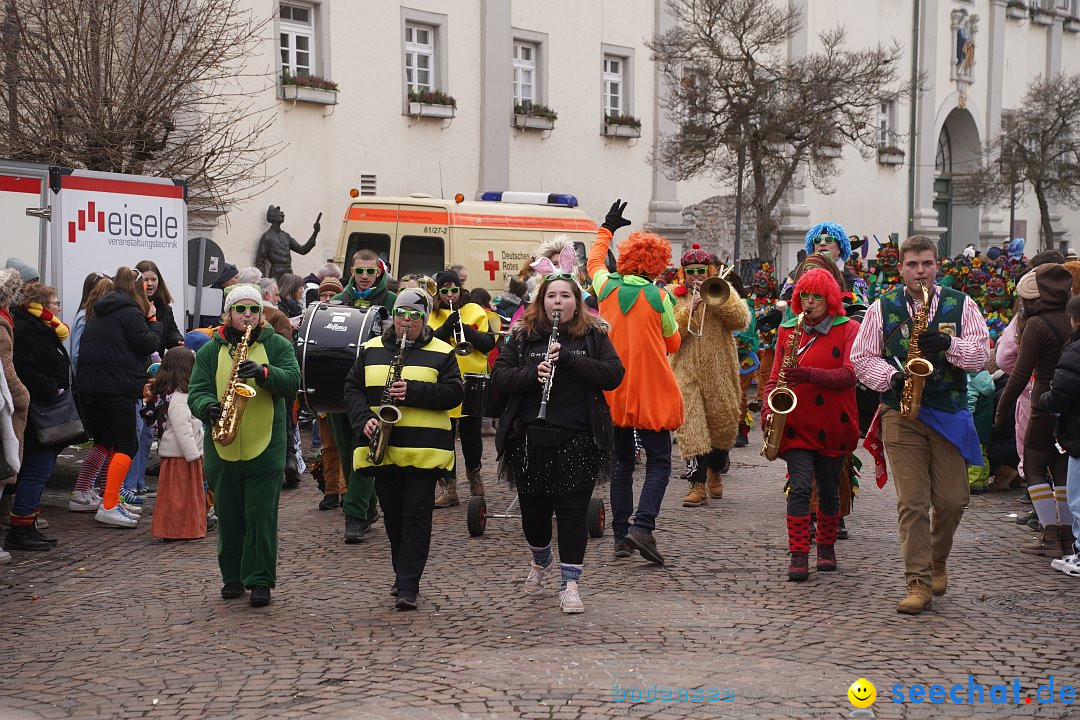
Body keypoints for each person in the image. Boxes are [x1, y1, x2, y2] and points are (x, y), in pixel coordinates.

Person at [852, 235, 989, 614]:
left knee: (953, 500)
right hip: (901, 413)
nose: (920, 271)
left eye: (926, 264)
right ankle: (918, 582)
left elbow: (981, 355)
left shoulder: (962, 305)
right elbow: (861, 357)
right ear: (901, 268)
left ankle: (937, 558)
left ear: (937, 265)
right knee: (912, 502)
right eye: (912, 265)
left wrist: (948, 345)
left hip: (948, 411)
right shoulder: (883, 307)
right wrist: (891, 379)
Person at [492, 273, 624, 613]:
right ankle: (541, 559)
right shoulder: (523, 336)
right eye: (552, 296)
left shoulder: (593, 335)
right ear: (542, 302)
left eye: (565, 296)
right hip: (529, 437)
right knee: (534, 515)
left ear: (576, 303)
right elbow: (500, 378)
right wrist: (530, 376)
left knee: (571, 513)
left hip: (579, 437)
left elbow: (613, 374)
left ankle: (570, 584)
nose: (558, 302)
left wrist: (570, 360)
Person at [343, 289, 463, 610]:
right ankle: (402, 573)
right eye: (400, 315)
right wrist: (363, 420)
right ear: (393, 317)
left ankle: (409, 584)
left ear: (423, 320)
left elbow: (454, 393)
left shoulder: (442, 351)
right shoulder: (370, 349)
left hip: (424, 451)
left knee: (416, 515)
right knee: (393, 516)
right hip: (383, 447)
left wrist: (414, 391)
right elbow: (352, 389)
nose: (405, 322)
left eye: (413, 316)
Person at [187, 283, 301, 607]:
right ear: (229, 313)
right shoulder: (212, 349)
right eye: (241, 310)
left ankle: (261, 580)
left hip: (265, 445)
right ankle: (233, 577)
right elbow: (197, 390)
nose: (248, 315)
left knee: (261, 515)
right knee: (230, 514)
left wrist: (265, 372)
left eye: (253, 309)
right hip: (223, 446)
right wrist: (207, 406)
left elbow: (293, 380)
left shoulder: (277, 344)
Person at [586, 199, 682, 565]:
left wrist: (608, 226)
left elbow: (594, 259)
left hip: (613, 391)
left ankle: (620, 537)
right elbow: (673, 343)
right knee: (659, 462)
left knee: (623, 463)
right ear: (658, 265)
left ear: (624, 259)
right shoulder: (661, 297)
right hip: (652, 391)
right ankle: (643, 526)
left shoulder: (605, 286)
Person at [761, 269, 860, 580]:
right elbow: (774, 378)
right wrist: (767, 409)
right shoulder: (788, 331)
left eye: (817, 296)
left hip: (834, 423)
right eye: (805, 295)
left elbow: (850, 374)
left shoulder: (849, 329)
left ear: (830, 299)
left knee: (830, 491)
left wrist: (809, 374)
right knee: (800, 487)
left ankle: (826, 548)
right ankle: (799, 553)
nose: (811, 302)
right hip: (797, 423)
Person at [996, 263, 1074, 557]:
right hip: (1070, 406)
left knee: (1034, 468)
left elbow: (1018, 374)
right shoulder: (1072, 319)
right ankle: (1067, 536)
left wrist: (1001, 411)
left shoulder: (1036, 324)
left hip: (1043, 402)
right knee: (1062, 471)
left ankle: (1050, 535)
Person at [77, 267, 163, 528]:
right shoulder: (129, 312)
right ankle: (110, 505)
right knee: (127, 445)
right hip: (119, 388)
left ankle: (112, 499)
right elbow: (148, 344)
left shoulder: (98, 311)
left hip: (93, 389)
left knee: (108, 442)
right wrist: (153, 321)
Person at [670, 245, 749, 507]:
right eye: (690, 273)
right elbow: (669, 334)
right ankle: (697, 484)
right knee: (691, 427)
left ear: (710, 270)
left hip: (720, 370)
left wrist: (718, 300)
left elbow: (741, 321)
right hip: (685, 370)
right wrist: (688, 309)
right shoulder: (673, 295)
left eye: (700, 272)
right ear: (683, 273)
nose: (695, 277)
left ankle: (715, 470)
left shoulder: (722, 287)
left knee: (723, 425)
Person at [331, 250, 397, 543]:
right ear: (352, 271)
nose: (365, 276)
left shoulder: (392, 303)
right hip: (336, 385)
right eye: (360, 271)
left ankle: (355, 516)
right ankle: (368, 509)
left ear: (379, 273)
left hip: (373, 386)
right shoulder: (336, 303)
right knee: (348, 455)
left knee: (364, 449)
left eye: (371, 272)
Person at [6, 283, 71, 550]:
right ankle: (19, 529)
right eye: (55, 303)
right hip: (38, 410)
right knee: (37, 469)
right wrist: (50, 386)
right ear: (42, 306)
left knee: (39, 469)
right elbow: (22, 369)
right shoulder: (27, 330)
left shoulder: (46, 328)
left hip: (46, 407)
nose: (58, 307)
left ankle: (28, 523)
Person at [428, 270, 496, 506]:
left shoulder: (475, 311)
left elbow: (488, 344)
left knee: (471, 435)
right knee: (444, 435)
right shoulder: (432, 314)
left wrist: (467, 331)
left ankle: (474, 475)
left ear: (460, 289)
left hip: (472, 378)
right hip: (443, 380)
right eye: (444, 290)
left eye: (454, 290)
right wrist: (446, 329)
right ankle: (449, 488)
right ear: (438, 292)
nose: (450, 295)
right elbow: (427, 343)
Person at [1039, 294, 1080, 576]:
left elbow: (1062, 392)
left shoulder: (1076, 350)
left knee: (1078, 499)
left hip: (1078, 434)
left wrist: (1044, 400)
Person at [149, 348, 206, 541]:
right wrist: (194, 454)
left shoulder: (179, 397)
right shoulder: (181, 400)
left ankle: (184, 529)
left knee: (181, 497)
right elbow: (184, 431)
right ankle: (177, 530)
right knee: (179, 498)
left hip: (182, 454)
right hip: (182, 456)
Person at [136, 260, 184, 357]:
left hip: (156, 366)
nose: (150, 283)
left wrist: (178, 341)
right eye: (145, 279)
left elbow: (172, 332)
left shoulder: (165, 308)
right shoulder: (132, 307)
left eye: (153, 279)